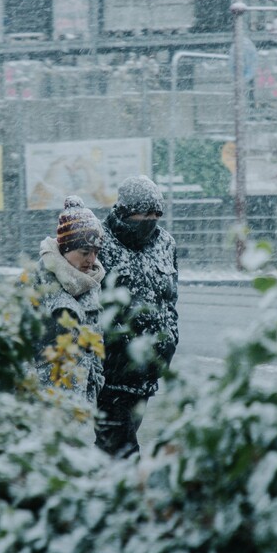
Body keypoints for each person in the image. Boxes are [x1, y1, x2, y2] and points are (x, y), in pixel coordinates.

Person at [95, 175, 178, 458]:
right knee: (123, 450)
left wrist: (169, 342)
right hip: (111, 374)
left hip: (148, 374)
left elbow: (170, 301)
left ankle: (100, 491)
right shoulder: (99, 244)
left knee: (113, 448)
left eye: (157, 214)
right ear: (125, 211)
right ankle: (123, 496)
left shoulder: (165, 244)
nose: (151, 220)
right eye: (144, 213)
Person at [33, 195, 105, 406]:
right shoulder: (35, 284)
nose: (91, 260)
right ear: (65, 249)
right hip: (42, 405)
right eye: (85, 252)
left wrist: (94, 386)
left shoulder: (91, 284)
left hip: (78, 405)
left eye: (95, 252)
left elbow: (96, 346)